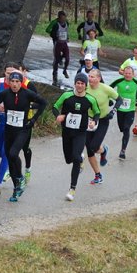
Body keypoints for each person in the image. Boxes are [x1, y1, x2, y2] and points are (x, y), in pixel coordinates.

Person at [0, 71, 48, 202]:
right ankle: (16, 189)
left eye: (17, 82)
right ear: (9, 82)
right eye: (12, 81)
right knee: (10, 160)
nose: (14, 84)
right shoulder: (4, 94)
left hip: (22, 130)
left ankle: (20, 178)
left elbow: (43, 103)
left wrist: (33, 119)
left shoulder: (27, 93)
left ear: (21, 82)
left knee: (13, 154)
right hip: (9, 130)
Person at [52, 73, 100, 202]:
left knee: (76, 157)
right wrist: (58, 116)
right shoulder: (67, 95)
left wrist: (94, 121)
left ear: (85, 85)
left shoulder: (90, 99)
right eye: (78, 83)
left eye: (82, 83)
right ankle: (80, 160)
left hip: (81, 133)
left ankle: (72, 189)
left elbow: (97, 112)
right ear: (75, 84)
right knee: (69, 159)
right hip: (67, 132)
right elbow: (55, 107)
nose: (79, 85)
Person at [84, 68, 118, 185]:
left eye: (92, 77)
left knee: (94, 146)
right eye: (89, 76)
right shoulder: (85, 87)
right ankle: (98, 175)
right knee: (89, 150)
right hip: (88, 121)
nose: (89, 78)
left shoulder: (106, 89)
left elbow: (119, 100)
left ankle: (103, 150)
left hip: (102, 120)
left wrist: (113, 112)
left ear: (98, 78)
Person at [0, 63, 19, 196]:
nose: (10, 76)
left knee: (5, 153)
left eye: (12, 73)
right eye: (8, 73)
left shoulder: (19, 85)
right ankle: (11, 169)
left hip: (12, 123)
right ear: (4, 73)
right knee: (0, 151)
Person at [109, 65, 137, 159]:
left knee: (126, 128)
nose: (127, 75)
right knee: (122, 128)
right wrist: (109, 99)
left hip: (131, 110)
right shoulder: (119, 81)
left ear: (133, 74)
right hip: (120, 109)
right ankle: (123, 146)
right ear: (123, 73)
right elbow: (109, 88)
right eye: (126, 73)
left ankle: (123, 151)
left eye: (129, 73)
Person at [45, 10, 71, 83]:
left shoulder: (66, 23)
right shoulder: (55, 23)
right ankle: (55, 73)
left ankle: (64, 70)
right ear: (58, 18)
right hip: (57, 43)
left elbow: (66, 31)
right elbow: (49, 31)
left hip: (64, 43)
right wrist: (55, 37)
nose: (63, 20)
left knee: (67, 58)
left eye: (64, 18)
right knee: (56, 59)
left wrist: (67, 37)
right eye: (62, 18)